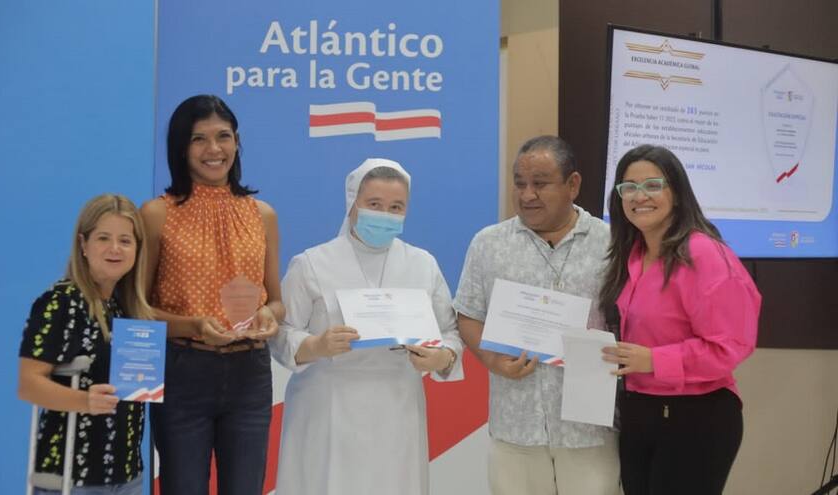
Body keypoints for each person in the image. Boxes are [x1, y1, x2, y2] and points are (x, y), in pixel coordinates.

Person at [269, 158, 464, 495]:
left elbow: (450, 333)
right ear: (353, 204)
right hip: (328, 407)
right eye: (375, 204)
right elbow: (281, 331)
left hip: (398, 406)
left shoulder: (422, 264)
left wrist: (442, 358)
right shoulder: (312, 263)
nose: (385, 214)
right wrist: (315, 346)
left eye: (396, 207)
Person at [454, 136, 620, 495]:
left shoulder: (611, 244)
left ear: (572, 184)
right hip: (516, 424)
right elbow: (466, 315)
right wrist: (491, 359)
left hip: (589, 427)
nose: (527, 194)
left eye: (540, 184)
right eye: (520, 183)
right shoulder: (489, 243)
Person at [141, 95, 285, 495]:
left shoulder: (263, 215)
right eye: (199, 139)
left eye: (223, 136)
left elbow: (275, 299)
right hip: (183, 371)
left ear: (237, 142)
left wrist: (269, 316)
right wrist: (194, 326)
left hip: (249, 374)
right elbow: (137, 308)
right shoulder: (157, 214)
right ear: (180, 147)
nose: (213, 149)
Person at [599, 144, 760, 495]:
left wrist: (654, 360)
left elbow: (730, 346)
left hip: (696, 416)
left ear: (677, 192)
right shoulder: (632, 254)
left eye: (653, 185)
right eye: (629, 188)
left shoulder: (704, 254)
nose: (639, 196)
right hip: (639, 413)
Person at [18, 194, 154, 494]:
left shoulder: (126, 309)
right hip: (72, 476)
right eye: (103, 238)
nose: (115, 249)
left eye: (125, 240)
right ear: (83, 244)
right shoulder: (60, 303)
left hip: (127, 474)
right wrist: (85, 401)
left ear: (137, 249)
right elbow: (28, 383)